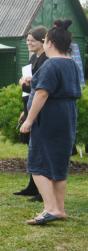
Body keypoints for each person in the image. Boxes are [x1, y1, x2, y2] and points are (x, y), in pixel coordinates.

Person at [20, 19, 82, 225]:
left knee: (38, 165)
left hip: (49, 118)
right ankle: (60, 209)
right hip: (67, 116)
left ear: (49, 44)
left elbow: (42, 94)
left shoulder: (51, 63)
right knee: (58, 164)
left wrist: (29, 120)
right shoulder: (71, 63)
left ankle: (49, 208)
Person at [13, 26, 48, 202]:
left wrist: (23, 85)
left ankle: (44, 192)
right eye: (27, 40)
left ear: (43, 41)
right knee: (32, 150)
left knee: (41, 151)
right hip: (30, 105)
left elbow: (39, 89)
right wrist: (24, 111)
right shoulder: (35, 57)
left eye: (32, 40)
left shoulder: (46, 59)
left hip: (41, 110)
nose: (28, 43)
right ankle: (32, 186)